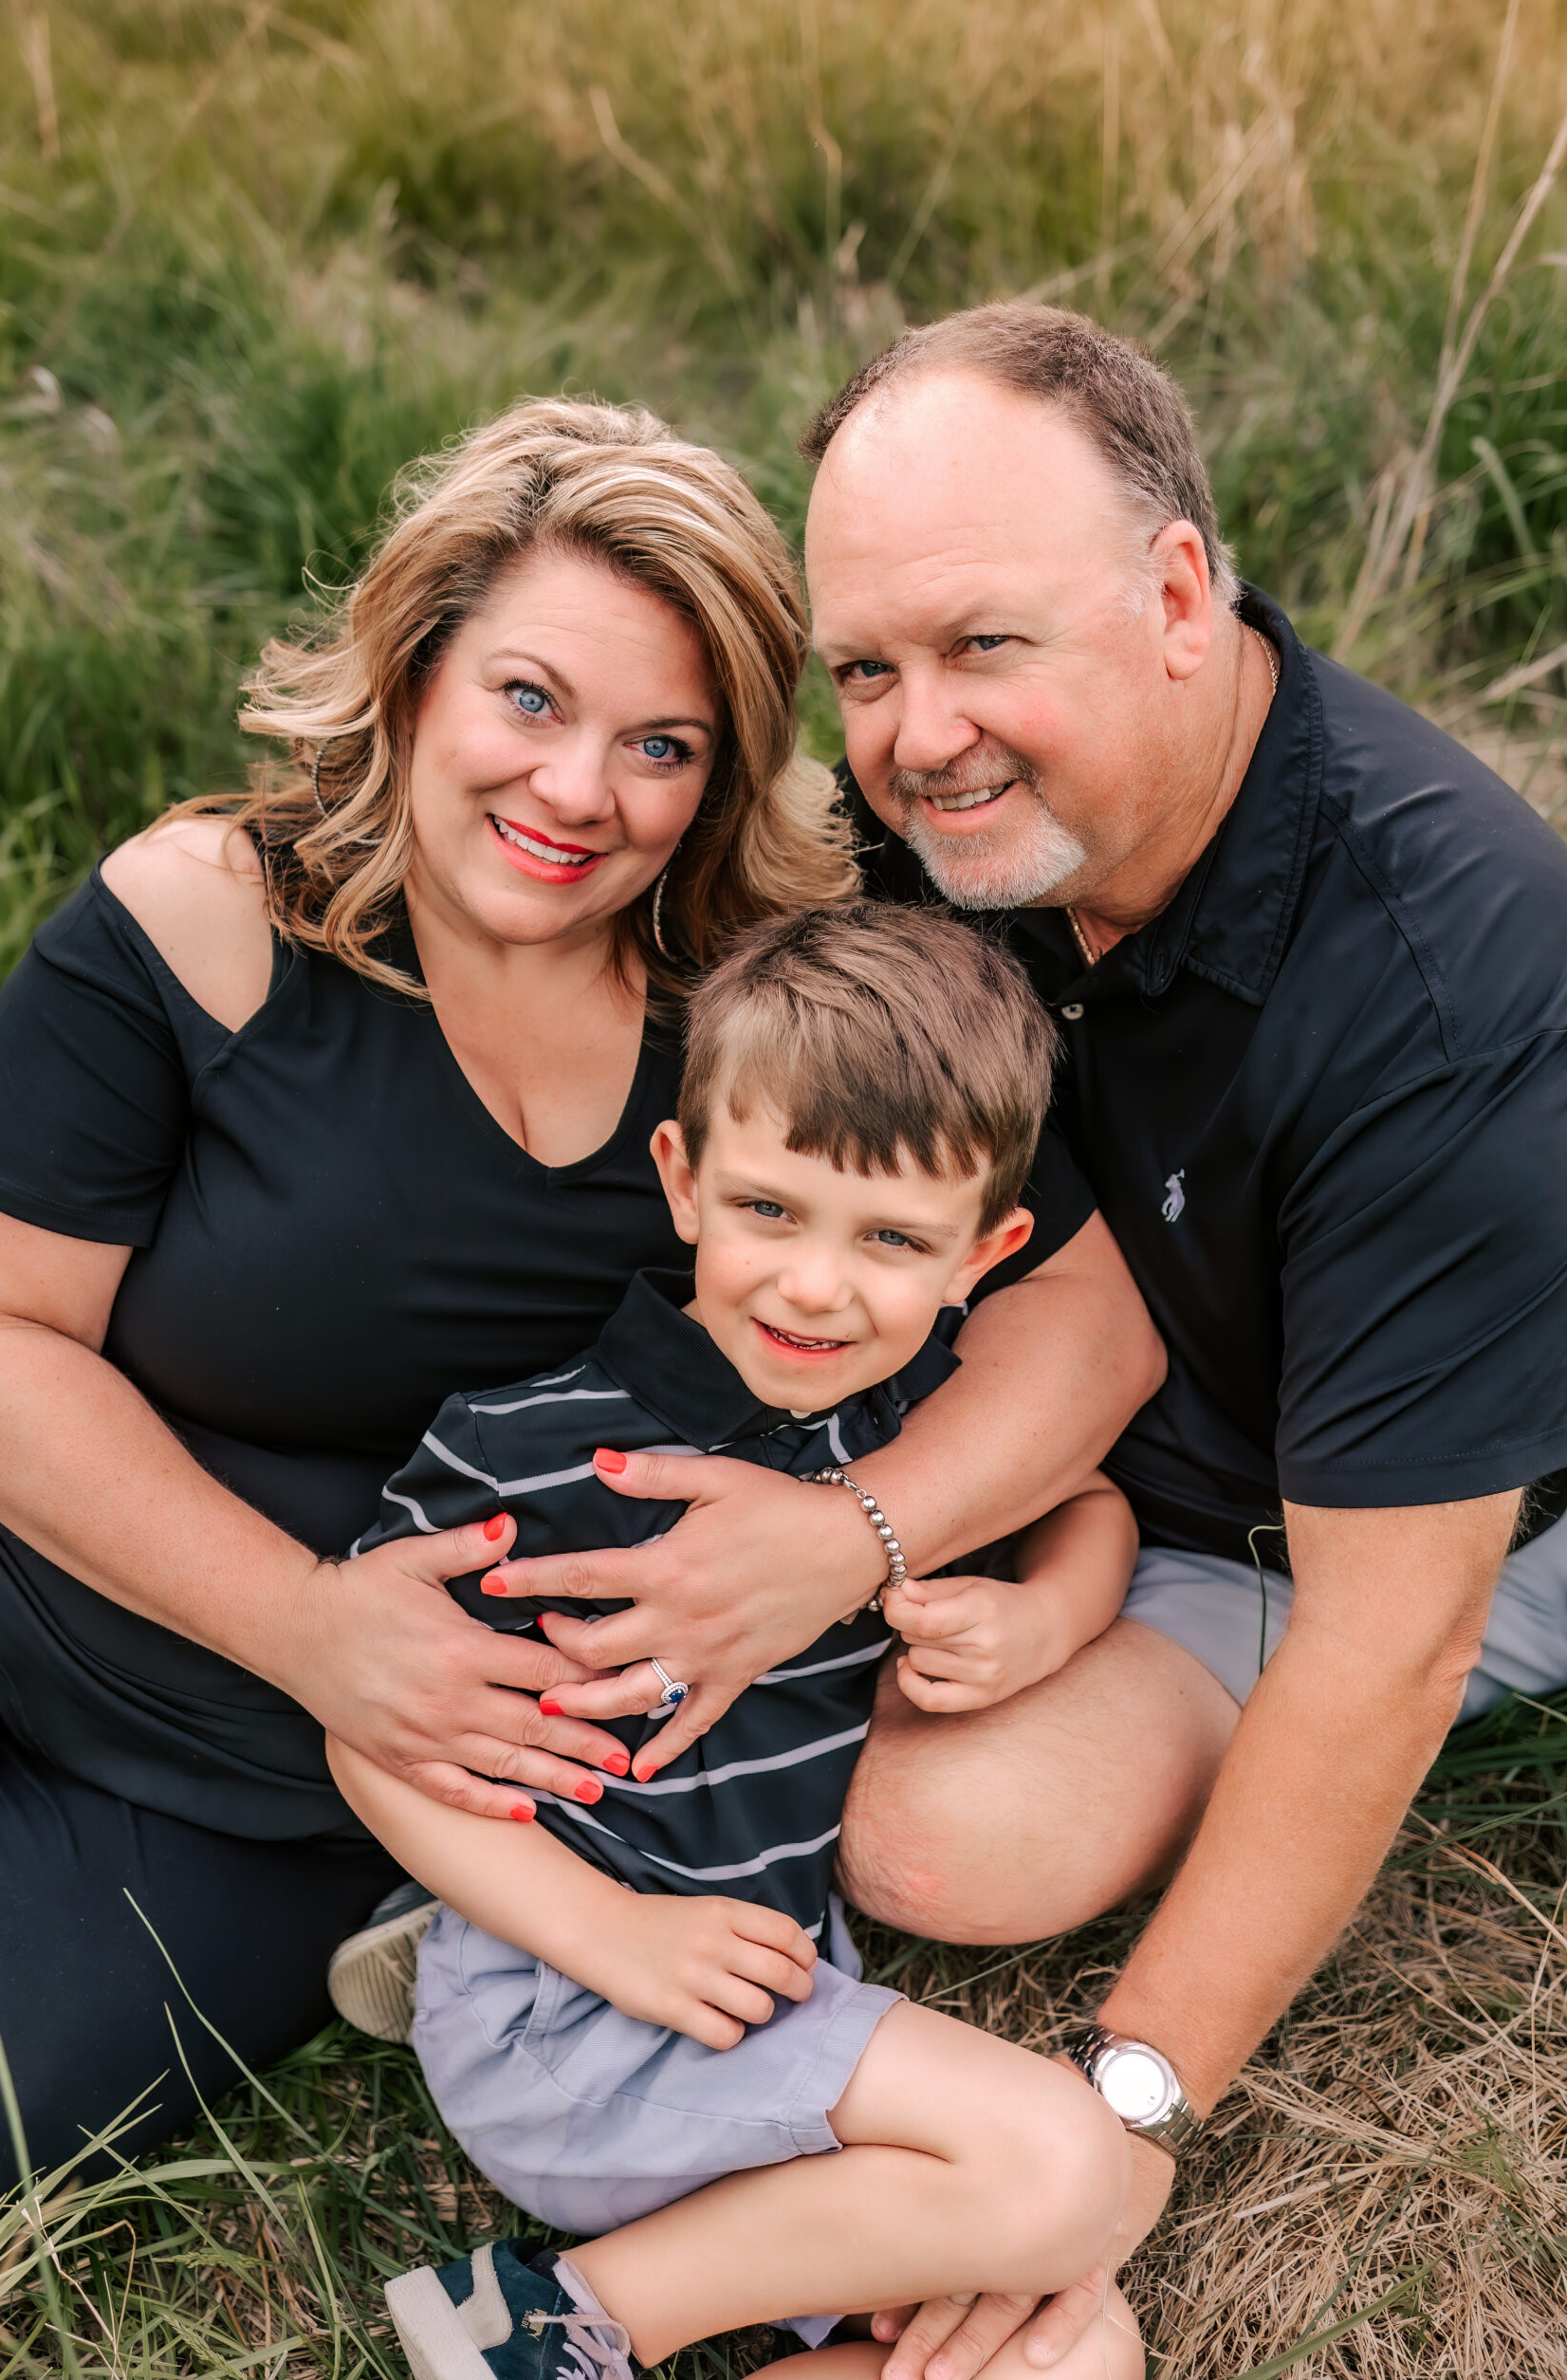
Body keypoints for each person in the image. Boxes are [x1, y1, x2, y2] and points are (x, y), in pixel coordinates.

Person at [488, 304, 1567, 2371]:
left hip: (1387, 1526)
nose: (916, 736)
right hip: (1086, 1454)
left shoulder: (1450, 988)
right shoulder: (926, 834)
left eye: (982, 646)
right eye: (867, 669)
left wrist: (1125, 2109)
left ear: (1176, 595)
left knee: (946, 1837)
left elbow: (1381, 1634)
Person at [0, 393, 1158, 2177]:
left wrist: (857, 1538)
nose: (579, 792)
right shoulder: (215, 921)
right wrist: (307, 1623)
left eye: (661, 745)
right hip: (20, 1576)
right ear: (421, 668)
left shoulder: (764, 1018)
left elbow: (1092, 1316)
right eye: (529, 698)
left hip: (325, 1793)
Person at [329, 905, 1144, 2380]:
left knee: (1067, 2352)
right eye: (772, 1210)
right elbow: (364, 1726)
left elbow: (1084, 1503)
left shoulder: (913, 1437)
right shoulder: (545, 1454)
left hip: (772, 1998)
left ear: (990, 1251)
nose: (818, 1287)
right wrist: (610, 1937)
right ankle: (543, 2328)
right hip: (572, 2003)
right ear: (684, 1182)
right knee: (1064, 2171)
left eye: (894, 1239)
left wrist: (1045, 1617)